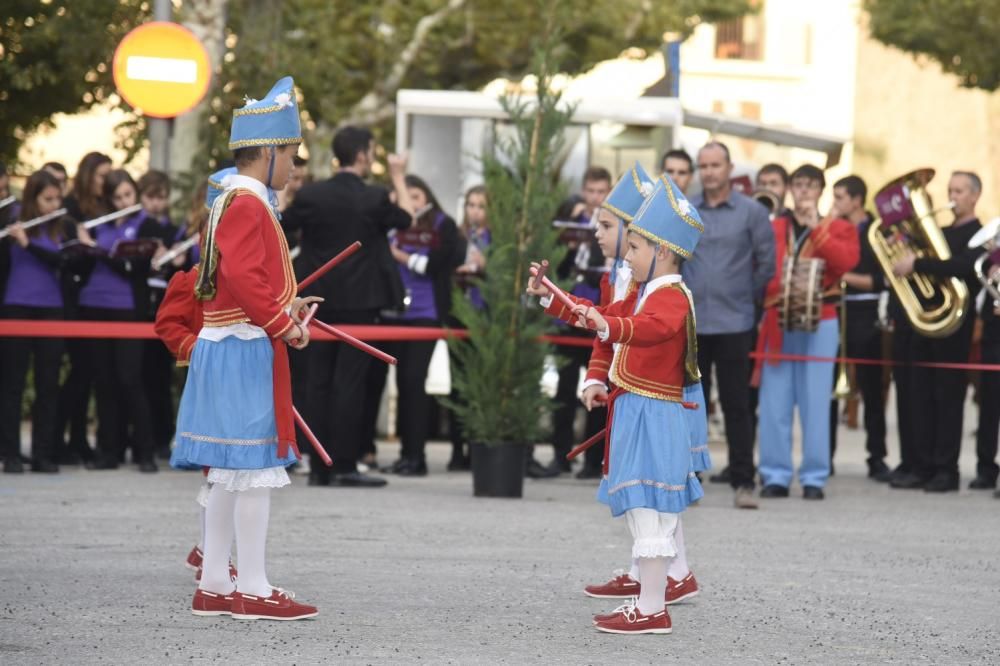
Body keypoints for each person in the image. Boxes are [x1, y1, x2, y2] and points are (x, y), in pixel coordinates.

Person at [170, 76, 319, 620]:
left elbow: (239, 281)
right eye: (292, 155)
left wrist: (285, 311)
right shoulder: (249, 203)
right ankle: (251, 589)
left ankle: (214, 584)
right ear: (271, 152)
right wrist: (285, 323)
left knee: (233, 470)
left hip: (229, 341)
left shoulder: (233, 199)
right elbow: (248, 277)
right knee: (252, 468)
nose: (294, 167)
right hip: (241, 347)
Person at [529, 162, 705, 607]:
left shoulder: (667, 294)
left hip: (659, 404)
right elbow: (608, 320)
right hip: (636, 398)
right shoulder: (640, 285)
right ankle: (652, 587)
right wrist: (555, 297)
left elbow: (636, 327)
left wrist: (606, 326)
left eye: (615, 231)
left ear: (654, 245)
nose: (614, 245)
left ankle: (660, 592)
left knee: (656, 498)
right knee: (648, 500)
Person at [282, 126, 413, 487]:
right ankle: (343, 464)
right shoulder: (372, 197)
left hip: (316, 302)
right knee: (349, 384)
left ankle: (319, 465)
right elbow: (407, 218)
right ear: (361, 155)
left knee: (316, 382)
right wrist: (399, 177)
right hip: (360, 303)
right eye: (371, 151)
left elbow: (281, 223)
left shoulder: (312, 195)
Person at [756, 164, 859, 500]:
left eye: (810, 186)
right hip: (779, 319)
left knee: (816, 402)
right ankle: (775, 474)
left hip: (822, 318)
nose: (803, 191)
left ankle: (814, 476)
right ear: (790, 189)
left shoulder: (839, 228)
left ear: (820, 191)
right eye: (798, 184)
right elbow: (760, 265)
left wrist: (817, 229)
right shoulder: (774, 227)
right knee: (775, 402)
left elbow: (843, 263)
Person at [684, 142, 775, 509]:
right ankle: (689, 478)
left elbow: (767, 264)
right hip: (692, 323)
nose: (709, 172)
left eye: (715, 165)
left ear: (729, 167)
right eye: (703, 165)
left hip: (736, 321)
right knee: (692, 405)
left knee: (738, 405)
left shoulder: (752, 212)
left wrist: (743, 296)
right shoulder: (686, 209)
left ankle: (743, 481)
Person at [891, 171, 983, 492]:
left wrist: (918, 265)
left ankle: (947, 469)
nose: (952, 196)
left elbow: (966, 267)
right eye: (950, 189)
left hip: (954, 326)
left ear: (974, 196)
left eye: (959, 191)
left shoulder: (979, 234)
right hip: (925, 322)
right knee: (921, 396)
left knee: (947, 398)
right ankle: (922, 465)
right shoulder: (940, 232)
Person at [76, 169, 161, 472]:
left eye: (129, 194)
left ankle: (145, 451)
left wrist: (98, 251)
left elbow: (134, 267)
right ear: (110, 200)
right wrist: (86, 246)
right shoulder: (101, 225)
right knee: (104, 381)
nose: (125, 201)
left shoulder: (147, 224)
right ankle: (107, 451)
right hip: (94, 305)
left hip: (128, 309)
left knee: (130, 379)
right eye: (119, 197)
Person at [538, 166, 612, 478]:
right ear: (583, 191)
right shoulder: (571, 218)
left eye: (601, 192)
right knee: (564, 390)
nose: (595, 198)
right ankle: (560, 455)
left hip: (600, 314)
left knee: (598, 389)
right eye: (590, 191)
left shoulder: (613, 226)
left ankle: (594, 460)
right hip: (570, 315)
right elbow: (555, 262)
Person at [0, 170, 74, 473]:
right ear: (33, 198)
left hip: (51, 308)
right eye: (47, 200)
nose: (54, 205)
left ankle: (43, 454)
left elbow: (64, 261)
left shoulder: (63, 226)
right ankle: (12, 455)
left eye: (58, 199)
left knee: (47, 385)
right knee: (12, 385)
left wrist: (28, 243)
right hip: (16, 306)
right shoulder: (11, 215)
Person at [829, 175, 890, 481]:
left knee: (871, 389)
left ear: (856, 200)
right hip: (836, 310)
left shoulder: (878, 231)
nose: (834, 203)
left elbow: (883, 279)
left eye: (839, 197)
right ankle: (824, 457)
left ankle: (877, 457)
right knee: (830, 388)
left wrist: (844, 276)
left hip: (867, 312)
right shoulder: (832, 228)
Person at [57, 151, 112, 464]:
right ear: (88, 174)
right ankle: (60, 438)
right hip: (72, 297)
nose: (104, 182)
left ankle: (78, 439)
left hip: (93, 296)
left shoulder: (105, 207)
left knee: (89, 373)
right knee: (78, 373)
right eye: (101, 176)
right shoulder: (70, 208)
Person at [136, 170, 181, 460]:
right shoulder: (135, 227)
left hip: (164, 307)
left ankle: (163, 438)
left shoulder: (172, 230)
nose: (156, 203)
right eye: (151, 197)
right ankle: (140, 439)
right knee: (137, 377)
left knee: (161, 378)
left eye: (161, 198)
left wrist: (175, 259)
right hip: (139, 306)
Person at [447, 184, 490, 471]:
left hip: (484, 315)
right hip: (458, 314)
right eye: (470, 205)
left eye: (481, 206)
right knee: (457, 383)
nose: (474, 211)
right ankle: (456, 448)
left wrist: (486, 265)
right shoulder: (458, 236)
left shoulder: (495, 239)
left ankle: (478, 447)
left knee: (480, 384)